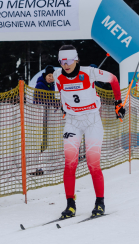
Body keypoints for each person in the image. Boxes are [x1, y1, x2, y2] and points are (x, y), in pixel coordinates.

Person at [53, 45, 125, 219]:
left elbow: (114, 79)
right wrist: (64, 108)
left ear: (76, 59)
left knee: (93, 164)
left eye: (69, 60)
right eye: (62, 61)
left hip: (92, 120)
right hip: (72, 121)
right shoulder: (57, 75)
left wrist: (118, 103)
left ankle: (99, 202)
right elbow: (60, 95)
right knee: (70, 164)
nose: (66, 64)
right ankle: (70, 204)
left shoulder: (90, 72)